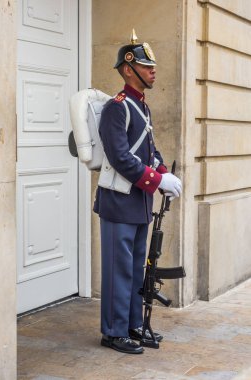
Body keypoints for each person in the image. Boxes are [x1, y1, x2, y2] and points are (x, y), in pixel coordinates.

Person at [93, 30, 182, 354]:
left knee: (134, 270)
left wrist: (163, 173)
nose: (153, 70)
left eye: (152, 66)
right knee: (118, 270)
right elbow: (119, 156)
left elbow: (149, 151)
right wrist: (155, 181)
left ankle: (132, 325)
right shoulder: (118, 107)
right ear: (128, 69)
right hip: (118, 202)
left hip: (139, 202)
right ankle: (113, 332)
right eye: (146, 66)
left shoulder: (141, 108)